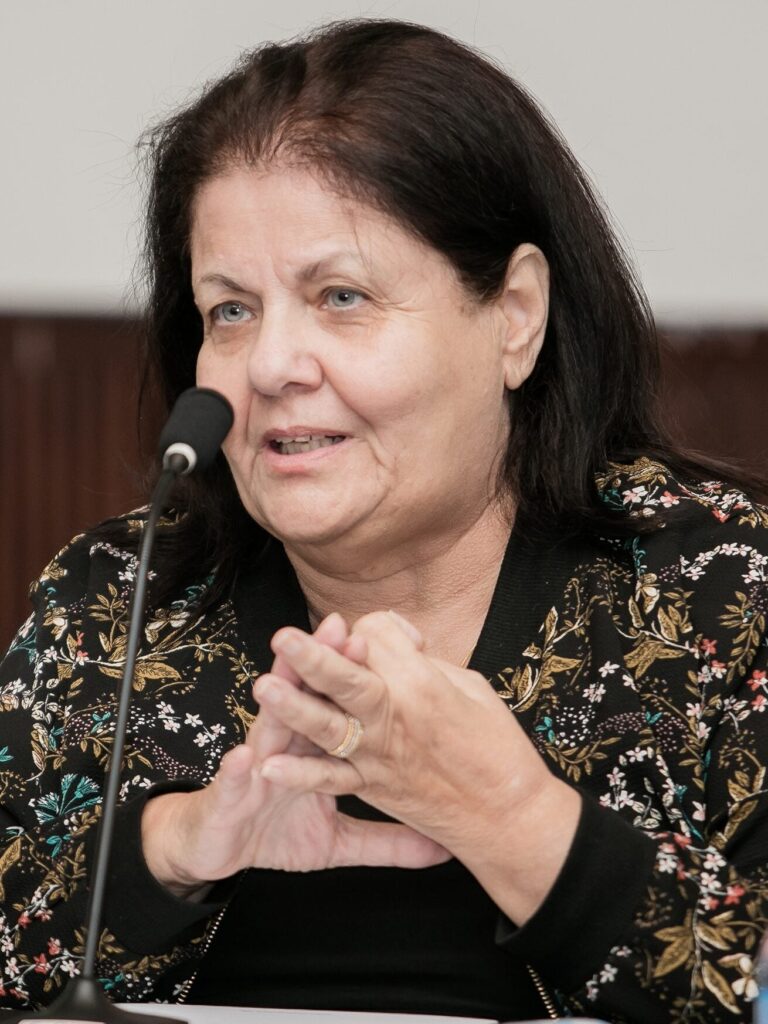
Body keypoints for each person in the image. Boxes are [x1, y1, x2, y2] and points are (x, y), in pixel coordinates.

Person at [0, 17, 766, 1023]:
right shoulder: (117, 600)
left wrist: (511, 816)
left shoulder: (719, 594)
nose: (271, 365)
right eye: (230, 310)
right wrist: (171, 849)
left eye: (342, 296)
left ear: (516, 315)